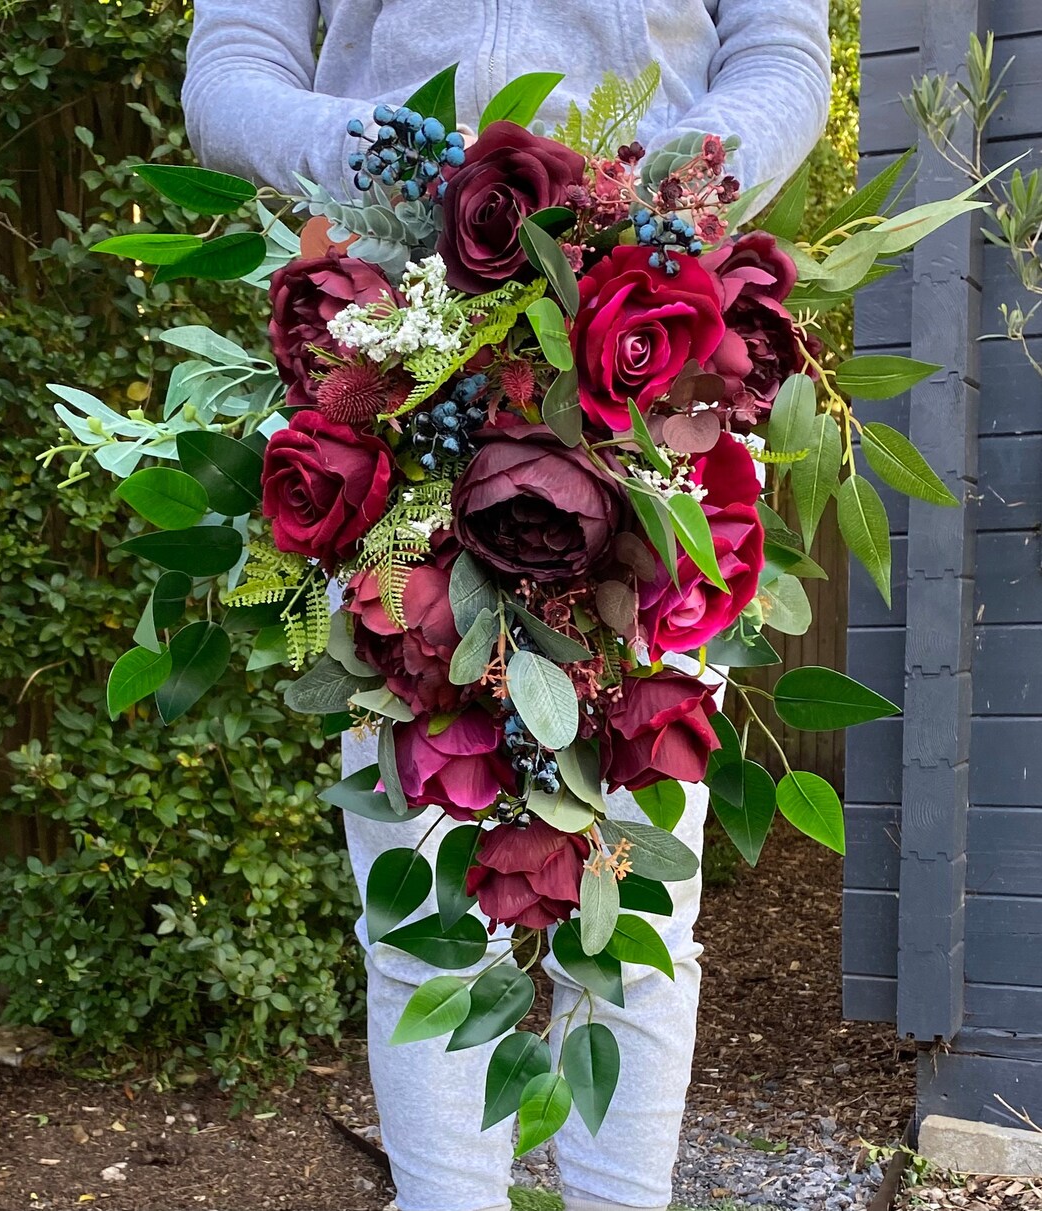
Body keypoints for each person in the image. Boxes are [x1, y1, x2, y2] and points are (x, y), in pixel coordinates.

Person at [182, 7, 831, 1211]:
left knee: (630, 918)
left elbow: (786, 54)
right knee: (428, 910)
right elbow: (229, 70)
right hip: (395, 378)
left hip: (648, 376)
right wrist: (398, 155)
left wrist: (652, 189)